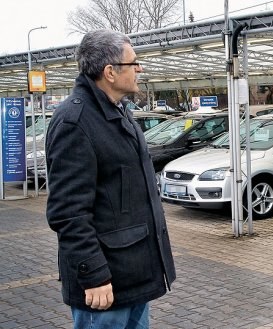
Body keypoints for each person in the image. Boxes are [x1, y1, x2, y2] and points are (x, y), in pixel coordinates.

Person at [46, 29, 176, 328]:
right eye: (134, 63)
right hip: (105, 286)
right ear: (110, 72)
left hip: (132, 276)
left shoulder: (118, 112)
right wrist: (93, 274)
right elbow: (68, 213)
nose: (140, 69)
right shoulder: (75, 122)